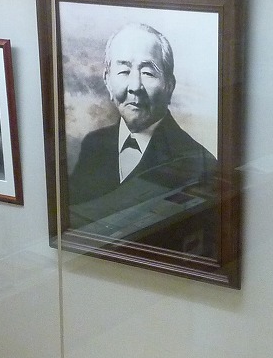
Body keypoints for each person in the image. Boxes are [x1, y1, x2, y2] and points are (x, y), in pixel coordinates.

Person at [67, 22, 218, 255]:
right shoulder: (94, 144)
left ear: (169, 85)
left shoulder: (200, 162)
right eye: (124, 71)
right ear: (107, 80)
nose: (135, 86)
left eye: (148, 73)